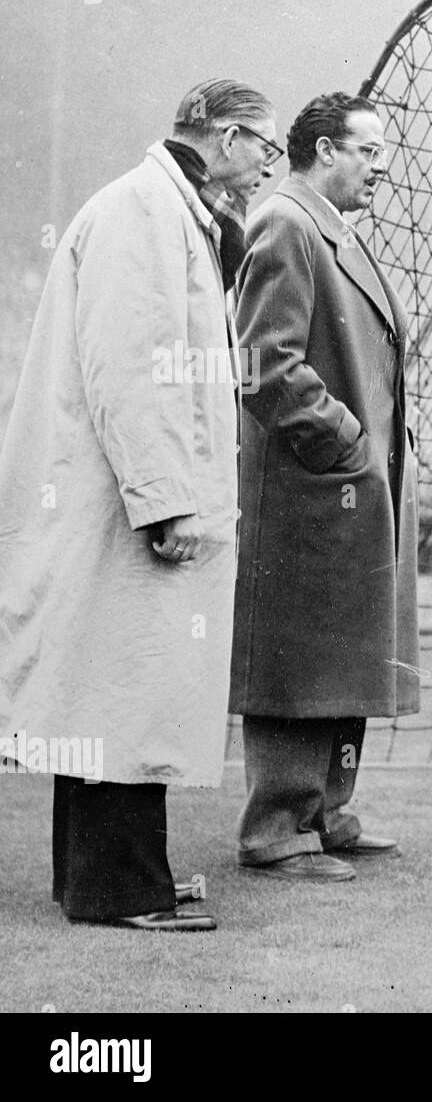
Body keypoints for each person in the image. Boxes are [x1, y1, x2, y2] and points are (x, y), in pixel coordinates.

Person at [0, 78, 277, 931]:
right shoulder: (143, 212)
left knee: (105, 687)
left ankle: (95, 877)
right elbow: (131, 363)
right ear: (226, 139)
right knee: (126, 684)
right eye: (264, 148)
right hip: (126, 500)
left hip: (119, 492)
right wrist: (162, 500)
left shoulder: (168, 211)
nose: (267, 166)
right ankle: (121, 887)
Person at [230, 92, 420, 882]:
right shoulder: (286, 223)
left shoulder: (326, 226)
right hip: (312, 490)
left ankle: (325, 811)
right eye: (368, 151)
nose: (381, 166)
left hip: (345, 488)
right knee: (299, 657)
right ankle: (275, 829)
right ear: (322, 151)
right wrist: (348, 444)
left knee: (344, 655)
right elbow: (266, 367)